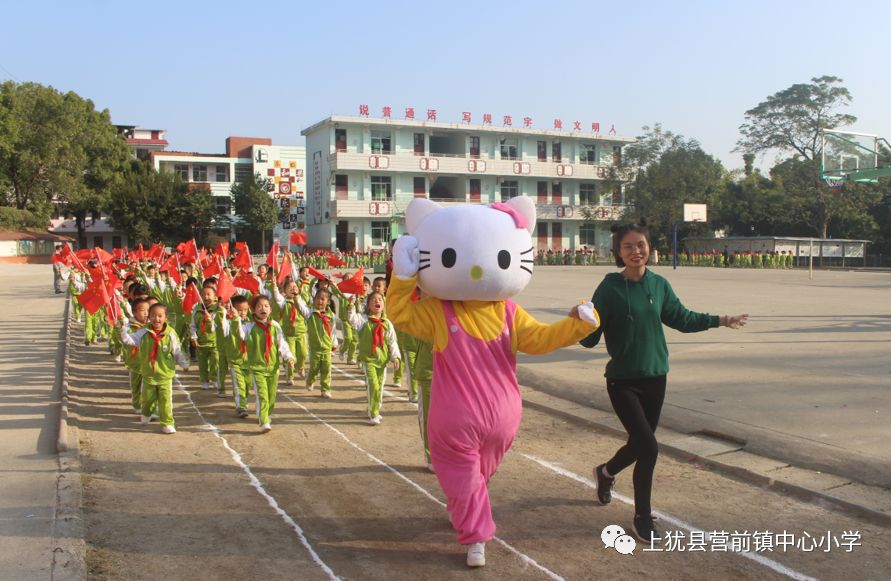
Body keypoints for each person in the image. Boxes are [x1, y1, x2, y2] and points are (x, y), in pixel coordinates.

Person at [580, 222, 748, 543]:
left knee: (640, 445)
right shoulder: (609, 289)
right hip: (622, 382)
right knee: (649, 447)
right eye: (628, 246)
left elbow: (682, 319)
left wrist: (722, 320)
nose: (636, 251)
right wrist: (579, 321)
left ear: (649, 248)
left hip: (656, 377)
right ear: (618, 251)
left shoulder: (659, 285)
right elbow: (590, 340)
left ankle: (605, 473)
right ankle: (643, 517)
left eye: (640, 245)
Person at [118, 303, 190, 434]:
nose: (157, 319)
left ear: (166, 318)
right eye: (153, 315)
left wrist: (184, 364)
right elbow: (129, 341)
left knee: (165, 401)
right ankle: (146, 413)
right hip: (149, 374)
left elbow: (177, 350)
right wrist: (123, 330)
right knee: (147, 399)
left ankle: (167, 423)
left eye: (160, 316)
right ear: (149, 317)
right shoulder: (144, 333)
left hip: (165, 375)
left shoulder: (170, 334)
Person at [231, 295, 295, 432]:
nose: (263, 308)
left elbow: (281, 343)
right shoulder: (249, 327)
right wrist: (236, 319)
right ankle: (264, 421)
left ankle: (266, 414)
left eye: (266, 306)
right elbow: (240, 335)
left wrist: (288, 357)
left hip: (273, 368)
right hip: (257, 368)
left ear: (271, 309)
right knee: (262, 395)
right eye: (259, 306)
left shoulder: (275, 326)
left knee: (272, 397)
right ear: (253, 310)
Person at [347, 291, 401, 425]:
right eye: (374, 300)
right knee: (373, 386)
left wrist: (395, 357)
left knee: (380, 387)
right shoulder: (363, 320)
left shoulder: (387, 323)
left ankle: (375, 408)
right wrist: (351, 306)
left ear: (384, 304)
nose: (377, 302)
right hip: (368, 360)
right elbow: (352, 319)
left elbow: (392, 341)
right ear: (368, 304)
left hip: (382, 361)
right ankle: (373, 413)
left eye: (380, 300)